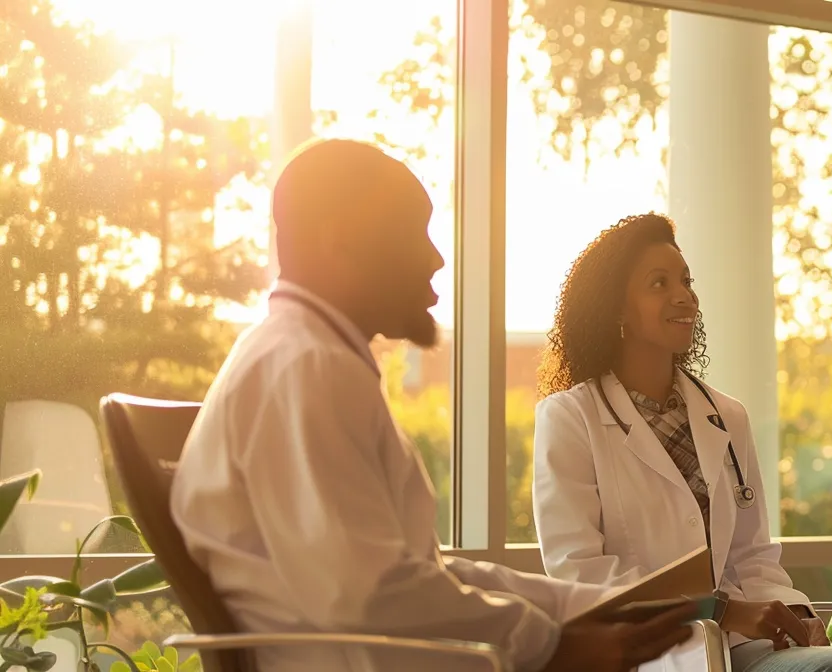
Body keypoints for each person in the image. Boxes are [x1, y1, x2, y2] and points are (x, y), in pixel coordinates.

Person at [172, 139, 695, 672]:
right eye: (410, 232)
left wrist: (591, 607)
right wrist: (551, 646)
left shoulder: (302, 358)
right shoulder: (306, 368)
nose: (436, 258)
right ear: (339, 243)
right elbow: (372, 594)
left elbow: (421, 573)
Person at [531, 213, 832, 672]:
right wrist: (715, 609)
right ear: (615, 308)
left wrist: (791, 610)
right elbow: (580, 572)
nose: (683, 296)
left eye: (685, 280)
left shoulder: (726, 416)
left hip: (735, 649)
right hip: (645, 654)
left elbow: (752, 556)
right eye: (659, 283)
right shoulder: (571, 418)